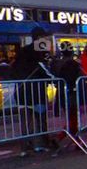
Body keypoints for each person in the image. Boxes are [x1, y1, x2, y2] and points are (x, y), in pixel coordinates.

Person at [11, 27, 55, 156]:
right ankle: (41, 144)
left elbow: (14, 70)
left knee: (26, 121)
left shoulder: (23, 51)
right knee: (40, 119)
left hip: (21, 91)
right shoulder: (39, 51)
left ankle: (25, 147)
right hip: (36, 92)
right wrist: (53, 79)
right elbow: (44, 71)